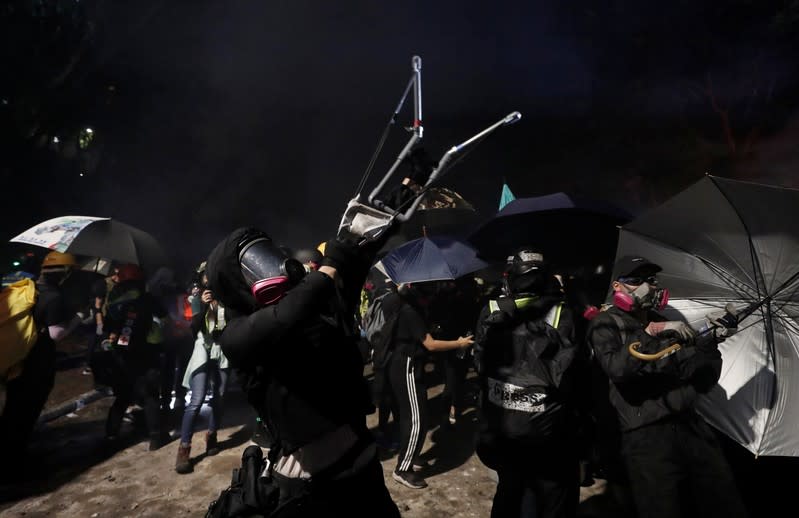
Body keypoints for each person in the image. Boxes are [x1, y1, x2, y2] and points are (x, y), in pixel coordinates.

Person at [206, 227, 400, 516]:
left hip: (361, 461)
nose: (275, 265)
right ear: (234, 281)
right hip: (310, 485)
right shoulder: (237, 336)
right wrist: (328, 267)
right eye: (255, 261)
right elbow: (286, 316)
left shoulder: (310, 304)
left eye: (269, 254)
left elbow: (352, 269)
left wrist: (377, 224)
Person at [586, 255, 746, 518]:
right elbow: (618, 369)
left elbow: (701, 379)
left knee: (723, 502)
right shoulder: (605, 324)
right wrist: (649, 333)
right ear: (617, 286)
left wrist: (709, 344)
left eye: (650, 279)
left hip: (689, 427)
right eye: (636, 280)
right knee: (662, 508)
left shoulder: (665, 321)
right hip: (645, 436)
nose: (646, 286)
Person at [473, 249, 587, 518]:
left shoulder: (491, 310)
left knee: (510, 491)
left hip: (502, 427)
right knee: (548, 498)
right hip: (548, 434)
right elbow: (575, 376)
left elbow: (479, 365)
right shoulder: (562, 312)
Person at [383, 281, 474, 489]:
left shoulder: (410, 309)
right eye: (429, 291)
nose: (433, 295)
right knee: (416, 419)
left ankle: (411, 455)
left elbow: (419, 335)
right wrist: (459, 343)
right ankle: (402, 469)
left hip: (409, 365)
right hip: (406, 366)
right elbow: (430, 344)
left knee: (418, 415)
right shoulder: (409, 311)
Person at [0, 251, 83, 478]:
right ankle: (13, 464)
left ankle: (8, 455)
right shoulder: (54, 297)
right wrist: (77, 318)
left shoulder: (29, 288)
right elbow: (56, 334)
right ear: (64, 273)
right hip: (36, 363)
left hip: (18, 358)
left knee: (13, 408)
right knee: (26, 412)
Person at [102, 263, 169, 450]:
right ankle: (156, 438)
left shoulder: (114, 302)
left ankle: (111, 435)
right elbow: (165, 320)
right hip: (147, 353)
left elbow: (108, 330)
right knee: (150, 396)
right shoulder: (149, 300)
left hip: (122, 355)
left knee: (123, 395)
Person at [175, 272, 230, 474]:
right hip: (202, 350)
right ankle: (184, 448)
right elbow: (196, 328)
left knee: (220, 396)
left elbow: (226, 327)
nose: (210, 283)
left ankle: (212, 435)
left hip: (222, 350)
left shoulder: (228, 299)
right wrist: (206, 305)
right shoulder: (196, 299)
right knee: (196, 400)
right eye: (206, 279)